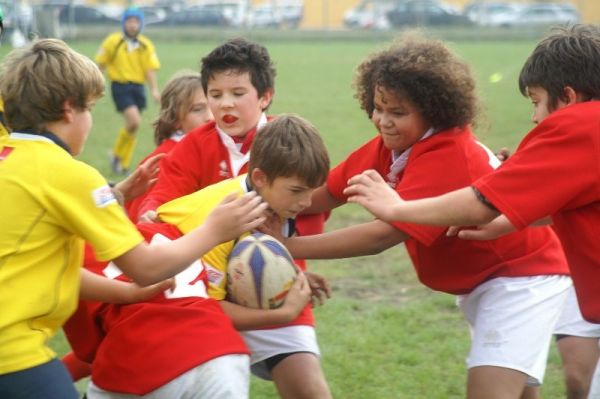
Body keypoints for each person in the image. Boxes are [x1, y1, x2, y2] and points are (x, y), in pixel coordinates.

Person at [276, 36, 572, 399]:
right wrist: (264, 204)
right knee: (518, 390)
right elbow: (324, 195)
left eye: (398, 113)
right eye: (378, 107)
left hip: (521, 277)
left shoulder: (449, 153)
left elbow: (381, 237)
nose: (383, 121)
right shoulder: (391, 146)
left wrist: (283, 247)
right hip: (487, 280)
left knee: (490, 390)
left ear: (435, 110)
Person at [0, 38, 267, 399]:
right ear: (68, 110)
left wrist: (125, 288)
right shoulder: (67, 174)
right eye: (90, 108)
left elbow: (41, 262)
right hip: (12, 353)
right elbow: (146, 267)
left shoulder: (10, 160)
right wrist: (214, 230)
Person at [344, 25, 600, 323]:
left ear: (567, 97)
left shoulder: (581, 126)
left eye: (536, 101)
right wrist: (505, 220)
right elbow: (569, 203)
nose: (534, 117)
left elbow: (480, 203)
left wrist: (395, 207)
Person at [155, 114, 333, 399]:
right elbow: (205, 310)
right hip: (166, 304)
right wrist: (282, 313)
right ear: (260, 178)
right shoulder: (220, 218)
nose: (307, 202)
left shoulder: (278, 202)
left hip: (223, 298)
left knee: (310, 391)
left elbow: (246, 266)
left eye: (312, 191)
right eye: (298, 191)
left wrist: (286, 276)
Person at [125, 70, 213, 220]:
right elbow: (140, 220)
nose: (210, 117)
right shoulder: (162, 162)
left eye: (214, 106)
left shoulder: (214, 149)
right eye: (197, 109)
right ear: (175, 119)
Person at [96, 6, 160, 175]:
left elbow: (149, 70)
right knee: (134, 121)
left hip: (138, 88)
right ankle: (117, 156)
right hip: (120, 86)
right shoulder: (113, 41)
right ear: (124, 23)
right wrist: (96, 83)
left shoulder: (146, 45)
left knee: (132, 127)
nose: (133, 25)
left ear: (141, 24)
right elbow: (101, 64)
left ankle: (122, 163)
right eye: (130, 21)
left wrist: (154, 90)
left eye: (136, 22)